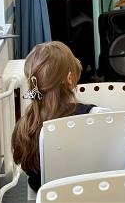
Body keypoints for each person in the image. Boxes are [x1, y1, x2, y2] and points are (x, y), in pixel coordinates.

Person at [11, 41, 109, 194]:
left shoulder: (24, 126)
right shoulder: (98, 116)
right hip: (93, 194)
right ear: (69, 78)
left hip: (46, 196)